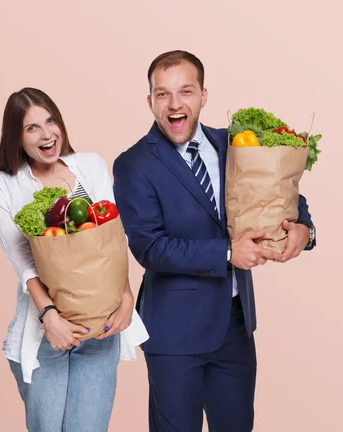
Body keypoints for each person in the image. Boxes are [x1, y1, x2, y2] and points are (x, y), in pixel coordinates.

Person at [112, 50, 316, 432]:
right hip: (175, 335)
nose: (175, 104)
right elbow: (150, 247)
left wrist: (304, 229)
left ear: (204, 95)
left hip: (235, 327)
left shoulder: (235, 145)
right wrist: (226, 252)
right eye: (162, 94)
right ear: (150, 101)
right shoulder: (133, 164)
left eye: (185, 92)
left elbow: (281, 193)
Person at [0, 87, 149, 431]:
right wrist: (50, 317)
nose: (47, 134)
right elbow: (24, 262)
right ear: (16, 137)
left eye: (51, 121)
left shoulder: (90, 165)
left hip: (101, 329)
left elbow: (113, 242)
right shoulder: (2, 186)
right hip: (47, 331)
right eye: (32, 128)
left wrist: (126, 298)